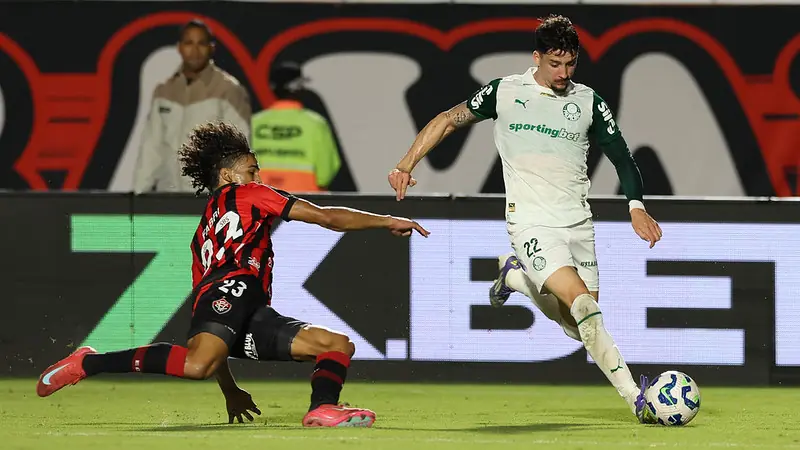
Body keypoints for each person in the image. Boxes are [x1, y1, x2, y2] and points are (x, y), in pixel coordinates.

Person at [37, 121, 429, 428]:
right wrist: (386, 220)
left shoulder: (202, 236)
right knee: (196, 365)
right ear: (228, 176)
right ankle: (88, 363)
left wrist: (230, 390)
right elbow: (326, 217)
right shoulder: (250, 194)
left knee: (336, 344)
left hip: (245, 305)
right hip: (237, 291)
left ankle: (322, 409)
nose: (258, 177)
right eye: (251, 170)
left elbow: (210, 319)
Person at [387, 14, 662, 424]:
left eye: (570, 64)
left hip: (578, 223)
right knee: (584, 305)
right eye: (555, 64)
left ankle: (516, 277)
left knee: (578, 326)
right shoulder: (504, 91)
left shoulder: (589, 101)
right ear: (536, 57)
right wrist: (406, 163)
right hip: (531, 222)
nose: (563, 73)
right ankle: (636, 397)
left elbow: (622, 157)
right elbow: (447, 120)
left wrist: (636, 206)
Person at [133, 19, 252, 193]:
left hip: (209, 197)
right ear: (179, 47)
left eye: (201, 43)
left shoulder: (228, 90)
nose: (195, 50)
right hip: (168, 195)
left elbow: (239, 150)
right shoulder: (164, 91)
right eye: (189, 43)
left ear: (211, 48)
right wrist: (137, 194)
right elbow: (152, 148)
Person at [250, 61, 341, 192]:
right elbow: (326, 171)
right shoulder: (316, 123)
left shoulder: (255, 122)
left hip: (262, 197)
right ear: (300, 87)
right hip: (304, 197)